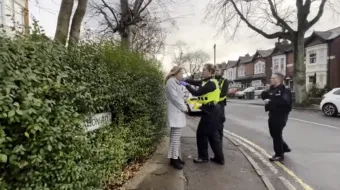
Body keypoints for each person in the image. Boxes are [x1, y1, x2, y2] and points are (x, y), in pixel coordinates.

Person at [180, 64, 225, 165]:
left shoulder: (211, 83)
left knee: (201, 133)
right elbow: (195, 82)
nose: (202, 71)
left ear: (210, 72)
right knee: (213, 135)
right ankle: (219, 158)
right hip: (210, 109)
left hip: (211, 110)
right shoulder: (206, 81)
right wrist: (185, 80)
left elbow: (197, 93)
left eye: (204, 70)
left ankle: (204, 157)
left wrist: (186, 85)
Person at [262, 73, 292, 162]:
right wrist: (265, 92)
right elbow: (264, 96)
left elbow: (285, 103)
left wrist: (270, 101)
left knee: (277, 134)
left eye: (273, 78)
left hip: (281, 115)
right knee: (273, 133)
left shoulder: (284, 90)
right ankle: (285, 147)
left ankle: (279, 155)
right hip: (272, 114)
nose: (271, 79)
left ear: (278, 79)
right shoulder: (272, 89)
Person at [165, 66, 188, 170]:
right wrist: (184, 108)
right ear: (175, 73)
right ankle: (175, 160)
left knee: (175, 138)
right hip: (175, 113)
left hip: (177, 113)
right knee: (175, 139)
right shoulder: (171, 82)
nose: (182, 75)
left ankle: (173, 157)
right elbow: (175, 98)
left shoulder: (176, 82)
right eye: (181, 73)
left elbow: (181, 96)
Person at [215, 65, 229, 141]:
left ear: (221, 72)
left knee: (219, 122)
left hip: (220, 104)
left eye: (217, 70)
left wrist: (213, 96)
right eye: (215, 70)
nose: (216, 72)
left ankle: (219, 139)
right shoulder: (212, 80)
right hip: (212, 104)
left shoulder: (224, 81)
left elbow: (223, 93)